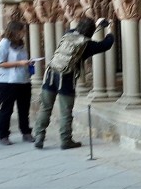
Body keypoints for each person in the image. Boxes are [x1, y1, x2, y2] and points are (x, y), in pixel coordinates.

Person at [33, 16, 114, 150]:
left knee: (45, 107)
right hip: (66, 78)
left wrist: (95, 25)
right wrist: (109, 29)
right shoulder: (88, 45)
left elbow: (79, 32)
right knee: (66, 111)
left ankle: (39, 137)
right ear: (91, 31)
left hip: (51, 73)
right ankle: (66, 140)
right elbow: (107, 44)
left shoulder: (68, 34)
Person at [0, 20, 35, 145]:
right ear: (15, 31)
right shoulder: (4, 43)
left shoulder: (20, 43)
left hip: (23, 80)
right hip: (8, 82)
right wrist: (19, 63)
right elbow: (0, 63)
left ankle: (26, 132)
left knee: (24, 108)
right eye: (22, 30)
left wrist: (28, 62)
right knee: (7, 109)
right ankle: (3, 135)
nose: (24, 33)